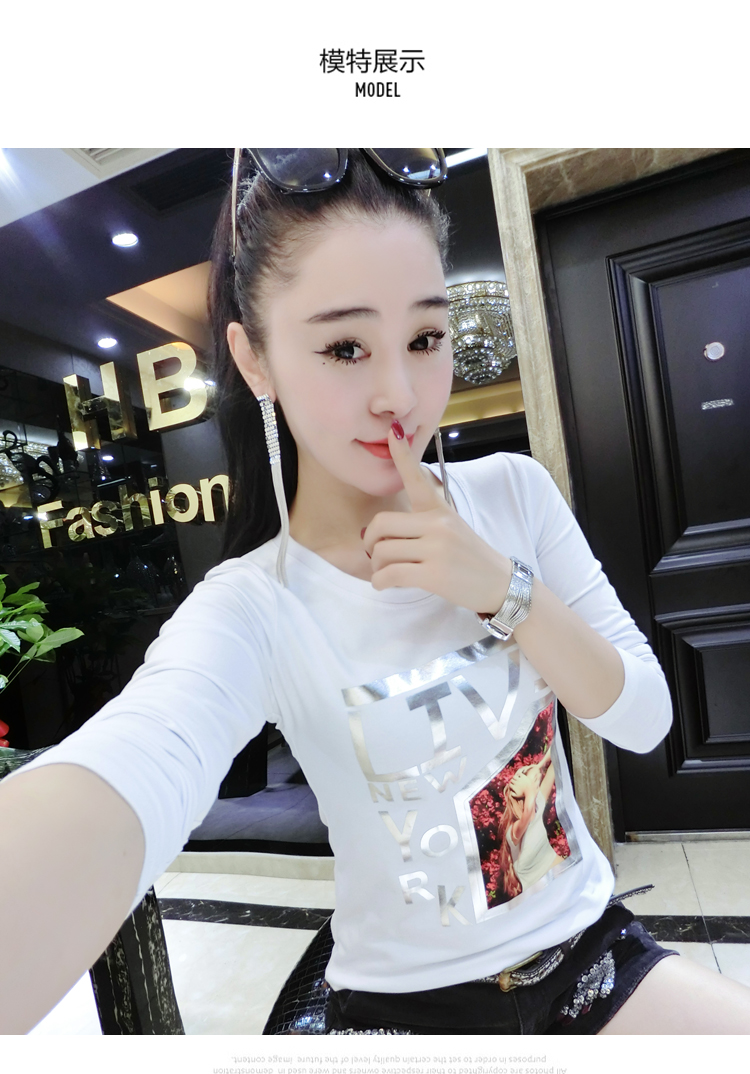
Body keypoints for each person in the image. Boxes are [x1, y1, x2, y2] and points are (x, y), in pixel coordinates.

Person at [1, 149, 749, 1036]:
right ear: (255, 359)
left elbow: (645, 719)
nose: (400, 395)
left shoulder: (513, 495)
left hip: (587, 951)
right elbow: (136, 758)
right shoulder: (254, 605)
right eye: (345, 347)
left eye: (425, 339)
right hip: (405, 1009)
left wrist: (501, 589)